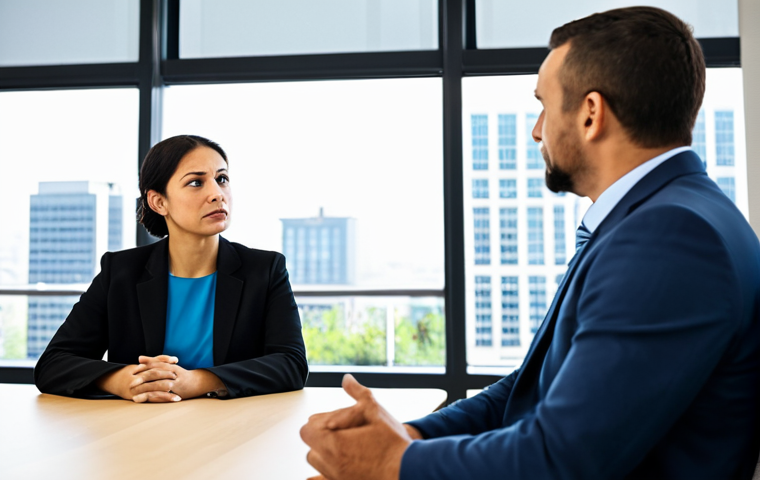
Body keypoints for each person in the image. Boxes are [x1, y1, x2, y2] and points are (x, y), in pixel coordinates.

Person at [300, 6, 760, 479]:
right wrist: (410, 436)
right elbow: (533, 386)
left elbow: (563, 459)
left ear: (590, 114)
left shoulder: (668, 238)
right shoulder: (671, 215)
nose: (536, 130)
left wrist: (391, 464)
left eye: (543, 105)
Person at [35, 135, 308, 402]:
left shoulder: (265, 269)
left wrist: (198, 381)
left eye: (221, 179)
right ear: (159, 202)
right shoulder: (120, 272)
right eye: (195, 182)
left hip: (234, 431)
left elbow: (291, 364)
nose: (216, 194)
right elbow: (53, 364)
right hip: (137, 431)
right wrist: (123, 379)